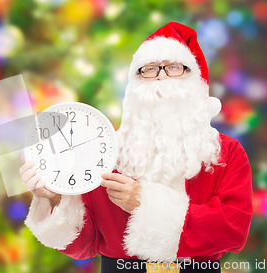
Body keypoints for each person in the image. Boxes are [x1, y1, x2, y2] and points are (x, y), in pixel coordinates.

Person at [19, 22, 253, 273]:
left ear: (196, 81)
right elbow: (84, 246)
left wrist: (144, 202)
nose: (161, 76)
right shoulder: (104, 151)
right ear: (134, 85)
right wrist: (55, 198)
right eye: (149, 69)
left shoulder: (228, 153)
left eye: (174, 67)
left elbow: (233, 230)